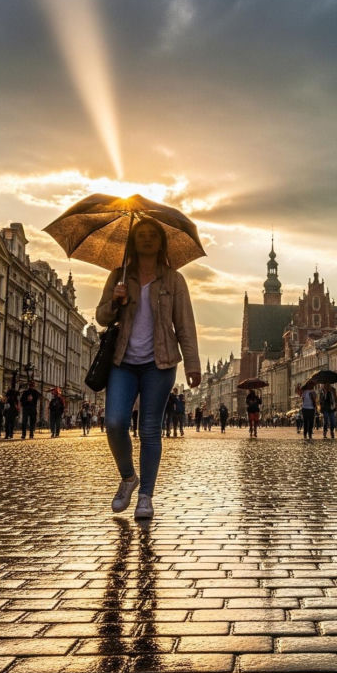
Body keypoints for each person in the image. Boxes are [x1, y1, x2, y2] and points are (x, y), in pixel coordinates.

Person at [96, 217, 202, 520]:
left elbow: (184, 324)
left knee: (150, 429)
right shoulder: (119, 275)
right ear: (132, 240)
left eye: (152, 234)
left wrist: (192, 363)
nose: (146, 239)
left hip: (161, 361)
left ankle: (146, 496)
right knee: (115, 422)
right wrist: (115, 302)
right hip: (122, 361)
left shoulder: (173, 280)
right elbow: (102, 317)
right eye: (140, 234)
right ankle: (129, 478)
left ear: (161, 241)